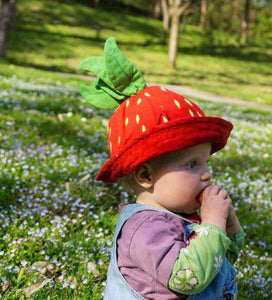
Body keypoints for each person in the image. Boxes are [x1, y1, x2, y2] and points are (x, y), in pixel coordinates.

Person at [78, 37, 244, 300]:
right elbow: (188, 278)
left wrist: (227, 223)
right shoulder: (144, 229)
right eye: (192, 164)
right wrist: (212, 224)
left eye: (205, 162)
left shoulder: (183, 215)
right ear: (146, 176)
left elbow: (222, 258)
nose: (207, 174)